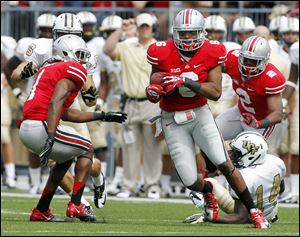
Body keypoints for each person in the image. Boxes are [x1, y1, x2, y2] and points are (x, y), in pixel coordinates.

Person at [145, 9, 269, 228]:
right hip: (172, 118)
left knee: (224, 163)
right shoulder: (161, 51)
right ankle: (209, 190)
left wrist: (184, 82)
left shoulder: (212, 50)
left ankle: (254, 210)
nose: (188, 38)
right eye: (183, 34)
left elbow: (215, 92)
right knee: (188, 179)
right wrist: (154, 91)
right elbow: (154, 85)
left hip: (200, 114)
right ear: (175, 33)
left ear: (202, 32)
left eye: (192, 33)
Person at [19, 34, 127, 222]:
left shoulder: (51, 67)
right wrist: (51, 135)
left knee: (66, 159)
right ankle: (76, 205)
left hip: (29, 127)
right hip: (41, 126)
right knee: (87, 147)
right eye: (79, 54)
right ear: (65, 52)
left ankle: (41, 210)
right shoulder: (70, 68)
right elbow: (55, 103)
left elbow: (66, 112)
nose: (82, 59)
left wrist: (103, 115)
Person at [8, 13, 105, 212]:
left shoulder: (85, 51)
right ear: (54, 34)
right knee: (56, 162)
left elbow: (90, 93)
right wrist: (23, 72)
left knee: (89, 159)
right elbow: (17, 73)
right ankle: (80, 203)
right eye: (62, 34)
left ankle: (97, 177)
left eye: (72, 35)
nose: (68, 40)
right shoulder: (42, 47)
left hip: (70, 107)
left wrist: (91, 95)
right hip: (43, 109)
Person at [103, 12, 162, 199]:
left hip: (152, 103)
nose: (144, 29)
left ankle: (152, 185)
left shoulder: (159, 48)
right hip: (130, 103)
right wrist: (121, 28)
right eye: (141, 26)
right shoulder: (127, 46)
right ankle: (128, 186)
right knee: (129, 146)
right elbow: (107, 49)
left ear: (153, 29)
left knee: (152, 146)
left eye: (147, 26)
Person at [184, 131, 286, 225]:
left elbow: (241, 217)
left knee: (207, 184)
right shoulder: (276, 162)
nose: (232, 155)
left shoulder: (244, 177)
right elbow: (281, 189)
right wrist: (267, 199)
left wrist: (211, 218)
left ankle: (206, 206)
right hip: (271, 212)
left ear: (250, 156)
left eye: (236, 153)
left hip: (252, 215)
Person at [215, 36, 286, 156]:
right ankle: (213, 171)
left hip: (261, 122)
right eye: (246, 59)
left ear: (264, 61)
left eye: (254, 61)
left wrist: (259, 124)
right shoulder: (233, 60)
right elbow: (214, 67)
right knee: (211, 135)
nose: (248, 64)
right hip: (240, 112)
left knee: (251, 158)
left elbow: (277, 114)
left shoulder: (270, 78)